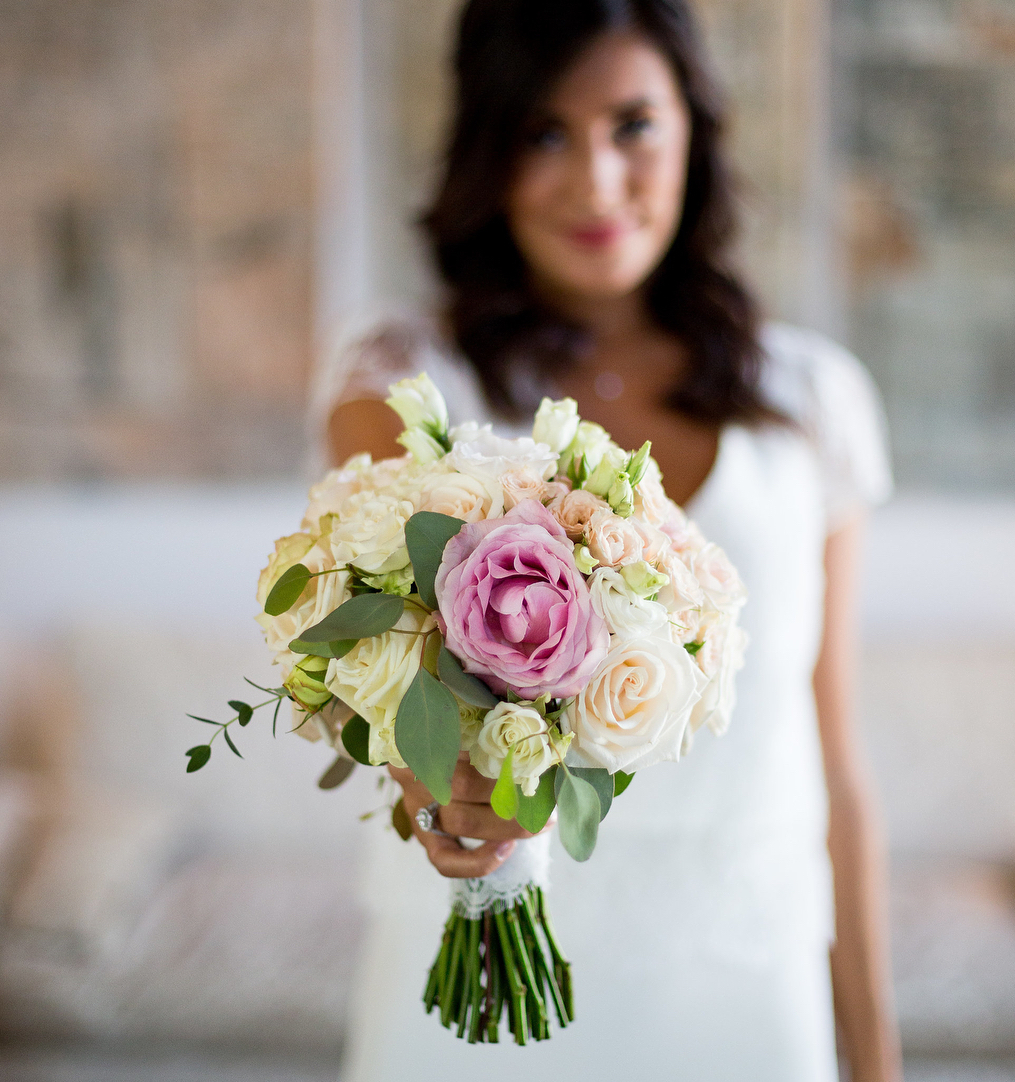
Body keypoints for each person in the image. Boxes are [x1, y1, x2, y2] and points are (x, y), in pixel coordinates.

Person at [317, 1, 901, 1079]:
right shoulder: (407, 386)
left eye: (633, 124)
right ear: (486, 152)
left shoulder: (812, 403)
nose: (596, 182)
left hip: (743, 969)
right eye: (545, 134)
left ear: (694, 132)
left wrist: (874, 1053)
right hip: (487, 980)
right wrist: (436, 797)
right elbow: (394, 694)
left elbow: (838, 765)